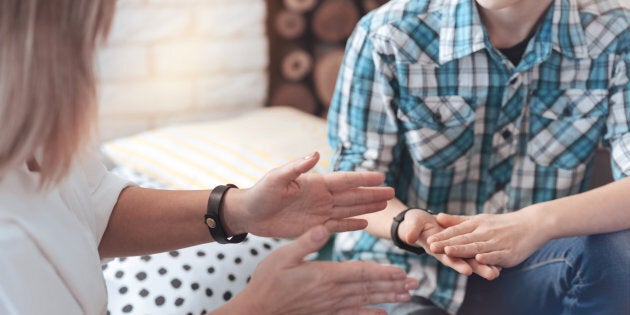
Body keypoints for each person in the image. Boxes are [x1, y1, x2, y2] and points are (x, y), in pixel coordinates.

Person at [0, 1, 421, 314]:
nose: (90, 66)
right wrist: (259, 307)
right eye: (83, 43)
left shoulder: (30, 136)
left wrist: (238, 209)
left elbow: (93, 210)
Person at [327, 0, 630, 314]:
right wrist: (406, 224)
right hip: (405, 270)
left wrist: (534, 223)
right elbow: (352, 183)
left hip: (532, 269)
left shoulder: (616, 34)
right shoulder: (386, 34)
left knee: (619, 254)